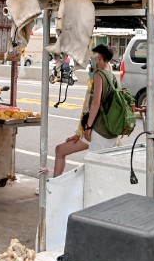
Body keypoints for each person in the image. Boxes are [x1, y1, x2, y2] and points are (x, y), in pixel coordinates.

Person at [39, 44, 120, 180]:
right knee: (61, 150)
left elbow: (95, 104)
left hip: (98, 132)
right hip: (103, 131)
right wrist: (80, 132)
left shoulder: (99, 75)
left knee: (94, 172)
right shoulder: (111, 76)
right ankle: (55, 184)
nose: (91, 61)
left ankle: (63, 188)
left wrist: (87, 128)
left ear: (100, 57)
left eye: (93, 57)